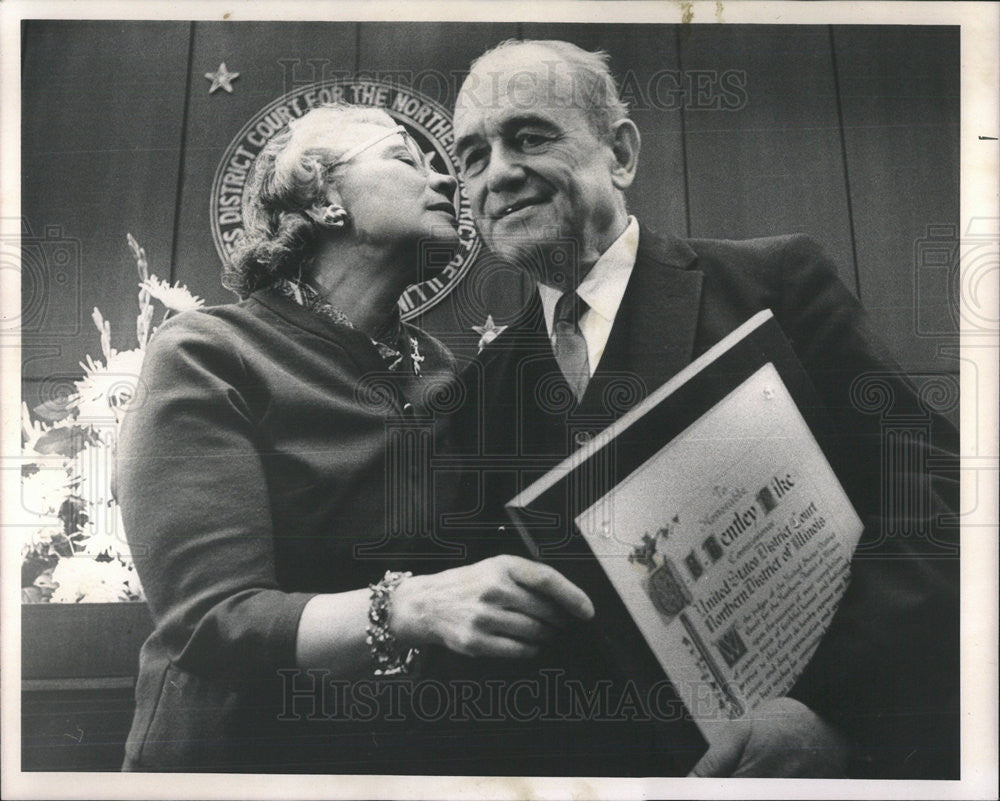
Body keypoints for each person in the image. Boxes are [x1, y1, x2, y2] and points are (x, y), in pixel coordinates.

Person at [445, 39, 960, 778]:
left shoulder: (774, 282)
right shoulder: (475, 400)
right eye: (472, 156)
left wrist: (836, 710)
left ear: (619, 153)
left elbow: (935, 499)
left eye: (529, 137)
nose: (498, 172)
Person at [115, 103, 595, 773]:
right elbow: (210, 621)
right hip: (238, 764)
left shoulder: (440, 370)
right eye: (406, 158)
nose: (450, 181)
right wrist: (411, 604)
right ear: (324, 196)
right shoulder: (207, 352)